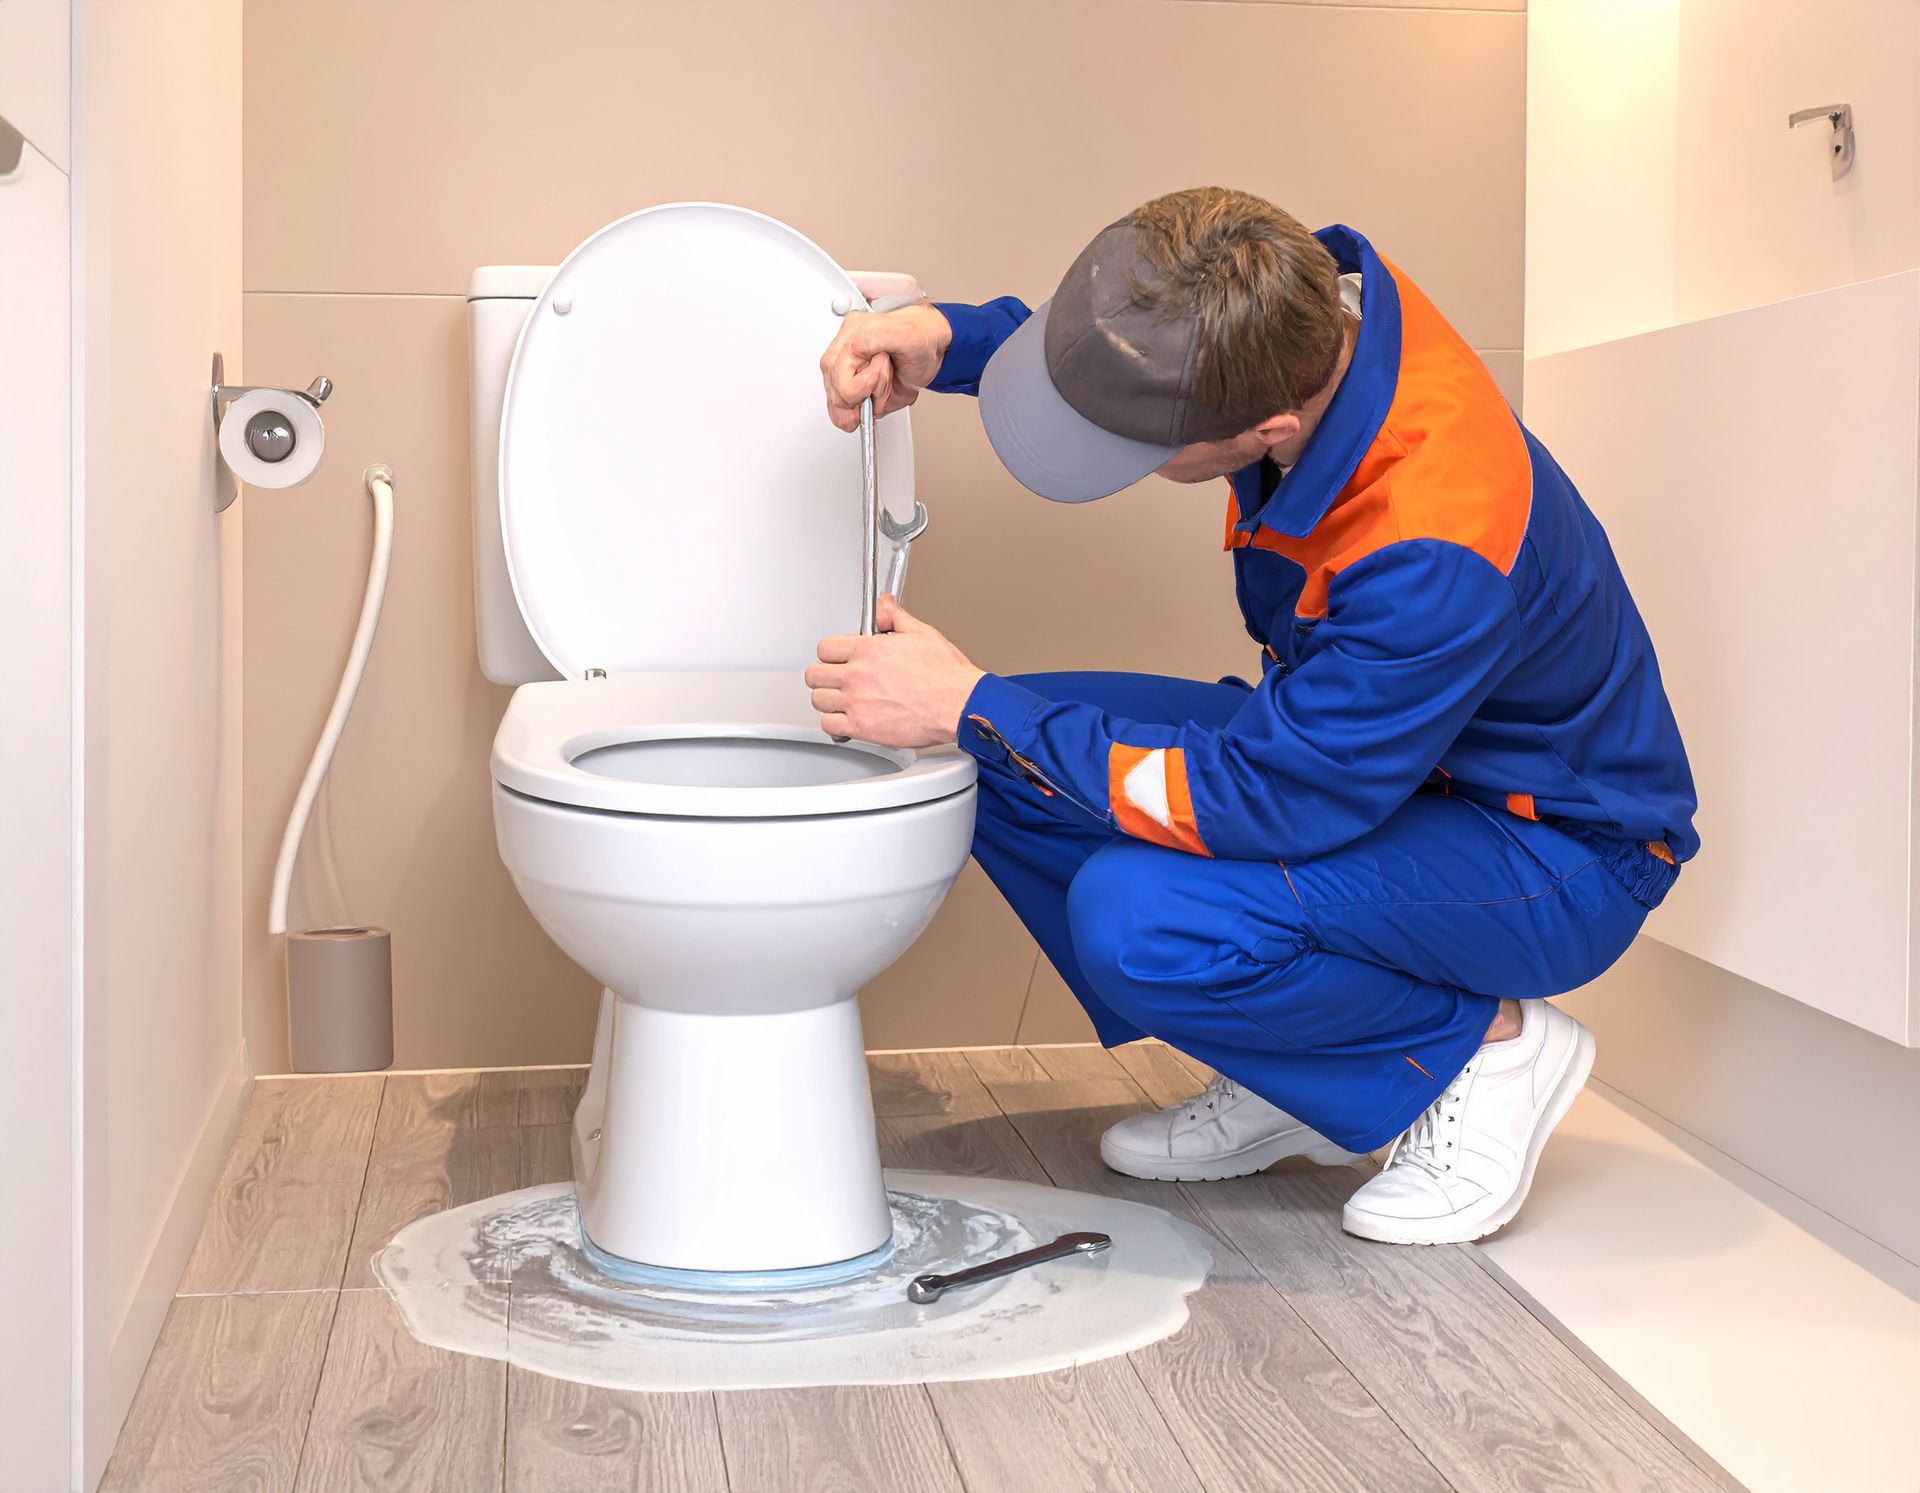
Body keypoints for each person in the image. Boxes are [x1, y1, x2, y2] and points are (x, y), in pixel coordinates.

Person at [808, 188, 1697, 1245]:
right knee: (1001, 755)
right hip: (1380, 764)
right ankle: (1300, 1069)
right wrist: (950, 336)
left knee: (1135, 912)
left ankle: (1485, 1046)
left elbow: (1271, 797)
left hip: (1550, 847)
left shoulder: (1431, 546)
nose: (1129, 457)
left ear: (1267, 430)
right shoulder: (1289, 303)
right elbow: (1135, 342)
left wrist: (969, 700)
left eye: (1147, 448)